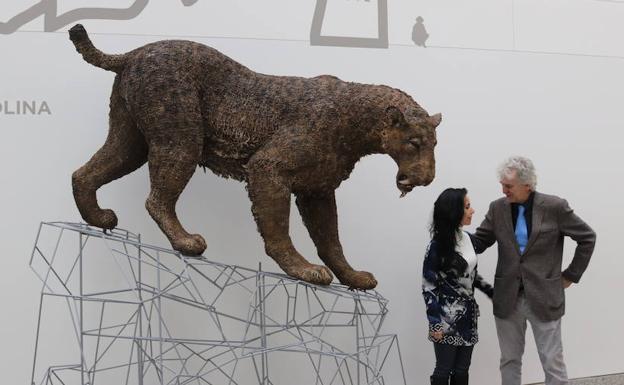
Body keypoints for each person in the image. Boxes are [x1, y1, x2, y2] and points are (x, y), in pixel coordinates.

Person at [472, 156, 596, 385]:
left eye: (508, 186)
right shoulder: (497, 208)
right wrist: (451, 233)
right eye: (501, 184)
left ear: (527, 185)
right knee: (509, 360)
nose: (503, 190)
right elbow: (479, 241)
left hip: (545, 297)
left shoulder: (555, 207)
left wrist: (571, 275)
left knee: (552, 361)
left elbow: (587, 238)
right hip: (507, 298)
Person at [423, 188, 493, 385]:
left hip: (468, 317)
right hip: (445, 318)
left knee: (462, 369)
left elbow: (486, 242)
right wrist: (434, 322)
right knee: (443, 370)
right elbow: (429, 286)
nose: (472, 211)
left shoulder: (468, 239)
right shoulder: (437, 246)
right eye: (468, 207)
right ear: (454, 212)